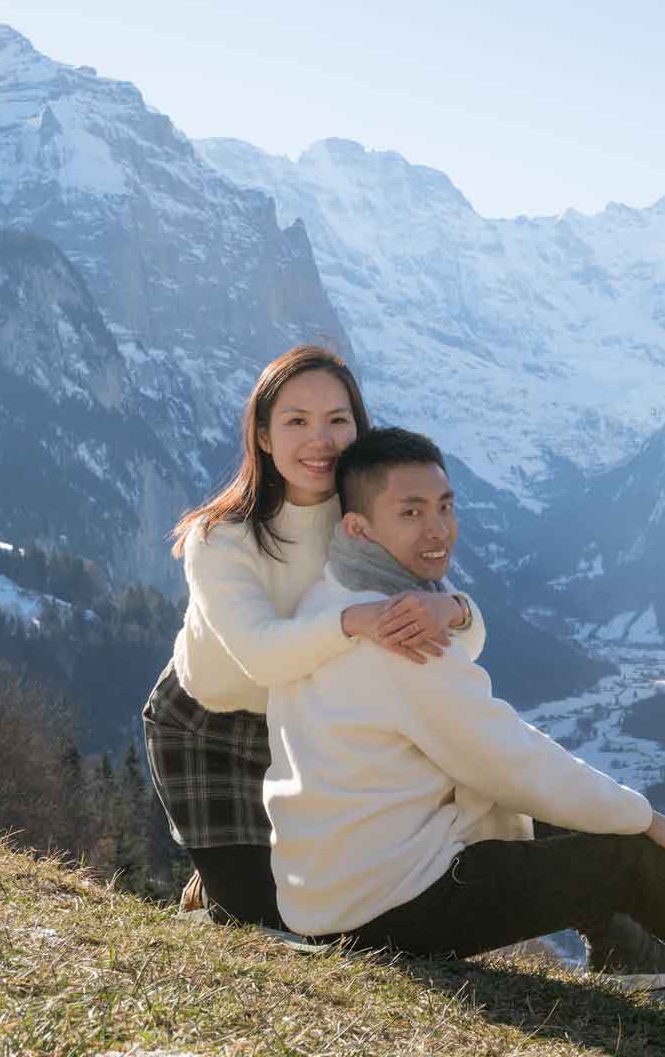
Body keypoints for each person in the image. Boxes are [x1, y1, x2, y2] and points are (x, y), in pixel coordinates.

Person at [264, 428, 665, 1050]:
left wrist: (459, 608)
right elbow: (512, 762)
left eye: (444, 505)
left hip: (326, 888)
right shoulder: (403, 644)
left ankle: (627, 953)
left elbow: (494, 747)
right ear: (358, 528)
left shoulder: (334, 604)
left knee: (558, 812)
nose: (437, 530)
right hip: (381, 910)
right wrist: (647, 819)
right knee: (625, 856)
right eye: (410, 513)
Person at [141, 345, 467, 930]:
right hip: (207, 729)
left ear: (357, 429)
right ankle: (219, 880)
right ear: (263, 436)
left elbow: (449, 621)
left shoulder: (367, 520)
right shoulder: (219, 538)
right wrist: (353, 621)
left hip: (314, 730)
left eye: (337, 421)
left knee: (331, 912)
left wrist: (455, 610)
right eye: (296, 421)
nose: (320, 439)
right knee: (263, 926)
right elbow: (263, 655)